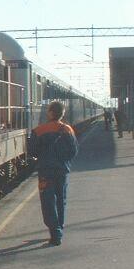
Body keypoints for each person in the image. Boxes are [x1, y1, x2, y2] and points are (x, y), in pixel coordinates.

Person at [27, 101, 79, 246]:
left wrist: (44, 157)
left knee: (48, 202)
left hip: (45, 171)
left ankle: (55, 233)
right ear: (62, 114)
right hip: (62, 170)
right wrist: (63, 161)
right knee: (61, 200)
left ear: (50, 113)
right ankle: (59, 229)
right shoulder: (68, 130)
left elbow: (32, 151)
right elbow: (74, 151)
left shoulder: (38, 131)